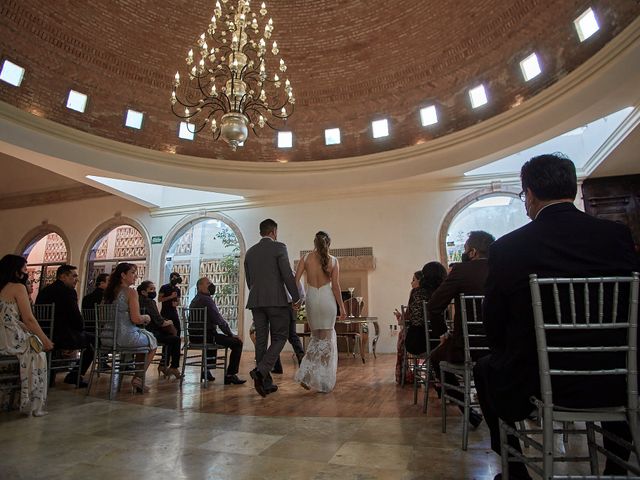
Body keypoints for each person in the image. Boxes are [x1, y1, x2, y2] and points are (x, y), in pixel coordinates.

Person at [474, 153, 639, 480]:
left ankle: (515, 469)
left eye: (524, 197)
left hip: (536, 378)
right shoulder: (617, 237)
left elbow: (492, 322)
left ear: (531, 194)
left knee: (485, 369)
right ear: (573, 189)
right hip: (618, 377)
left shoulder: (510, 247)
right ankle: (616, 466)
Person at [427, 231, 495, 429]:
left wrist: (444, 334)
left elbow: (434, 306)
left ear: (472, 252)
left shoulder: (461, 271)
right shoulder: (503, 269)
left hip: (469, 346)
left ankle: (466, 409)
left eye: (465, 249)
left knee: (435, 358)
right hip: (500, 346)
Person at [244, 218, 301, 397]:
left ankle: (265, 383)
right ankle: (260, 371)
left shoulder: (250, 252)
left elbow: (249, 280)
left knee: (261, 341)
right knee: (280, 336)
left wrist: (257, 294)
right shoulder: (279, 247)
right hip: (276, 301)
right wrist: (296, 297)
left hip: (256, 300)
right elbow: (286, 275)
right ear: (274, 232)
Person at [0, 254, 53, 416]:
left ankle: (12, 397)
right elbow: (29, 318)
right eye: (24, 270)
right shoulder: (17, 287)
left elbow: (9, 317)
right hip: (9, 338)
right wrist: (45, 339)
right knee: (38, 353)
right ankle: (31, 403)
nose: (25, 274)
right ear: (16, 272)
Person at [293, 231, 346, 392]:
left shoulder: (306, 258)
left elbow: (295, 280)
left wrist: (298, 299)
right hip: (327, 299)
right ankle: (323, 383)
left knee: (316, 338)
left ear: (314, 243)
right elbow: (335, 287)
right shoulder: (334, 261)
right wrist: (342, 308)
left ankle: (307, 376)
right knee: (327, 341)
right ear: (328, 243)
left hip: (311, 299)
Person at [35, 264, 94, 388]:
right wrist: (79, 331)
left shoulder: (45, 290)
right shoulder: (67, 291)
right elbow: (75, 317)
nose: (76, 280)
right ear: (62, 276)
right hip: (62, 335)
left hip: (44, 333)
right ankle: (75, 375)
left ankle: (49, 377)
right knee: (95, 340)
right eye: (74, 276)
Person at [101, 263, 157, 393]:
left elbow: (103, 317)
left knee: (143, 341)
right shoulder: (130, 292)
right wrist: (146, 317)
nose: (135, 276)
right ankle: (139, 377)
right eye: (132, 272)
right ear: (123, 275)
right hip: (124, 337)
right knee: (152, 343)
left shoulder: (108, 292)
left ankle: (138, 377)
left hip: (106, 337)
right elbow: (136, 319)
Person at [189, 278, 246, 385]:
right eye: (208, 283)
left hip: (194, 337)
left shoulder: (195, 300)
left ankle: (207, 370)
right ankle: (230, 375)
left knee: (215, 336)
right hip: (207, 337)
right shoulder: (207, 300)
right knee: (237, 343)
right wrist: (231, 334)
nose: (211, 285)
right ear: (200, 286)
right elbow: (219, 320)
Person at [137, 280, 182, 379]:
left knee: (170, 336)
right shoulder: (150, 302)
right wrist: (169, 322)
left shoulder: (136, 301)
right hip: (151, 332)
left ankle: (163, 364)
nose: (153, 291)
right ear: (144, 292)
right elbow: (158, 320)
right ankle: (172, 366)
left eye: (154, 289)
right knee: (175, 339)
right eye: (151, 289)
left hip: (139, 332)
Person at [403, 262, 447, 357]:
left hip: (418, 340)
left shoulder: (417, 293)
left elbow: (416, 320)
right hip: (439, 338)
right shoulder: (444, 293)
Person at [393, 270, 423, 384]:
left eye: (414, 280)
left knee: (402, 335)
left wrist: (400, 318)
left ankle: (404, 373)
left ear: (420, 281)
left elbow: (408, 320)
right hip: (432, 335)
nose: (411, 283)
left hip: (416, 337)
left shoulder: (415, 293)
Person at [273, 272, 306, 374]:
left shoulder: (274, 273)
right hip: (291, 307)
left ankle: (277, 367)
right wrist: (299, 303)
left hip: (277, 307)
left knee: (276, 337)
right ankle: (302, 361)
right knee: (292, 335)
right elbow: (301, 292)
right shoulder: (292, 273)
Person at [158, 272, 182, 337]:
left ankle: (176, 344)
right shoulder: (164, 287)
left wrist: (176, 303)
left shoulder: (177, 289)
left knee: (178, 329)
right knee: (166, 330)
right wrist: (170, 297)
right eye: (174, 278)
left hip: (173, 311)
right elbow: (159, 299)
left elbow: (178, 301)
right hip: (165, 311)